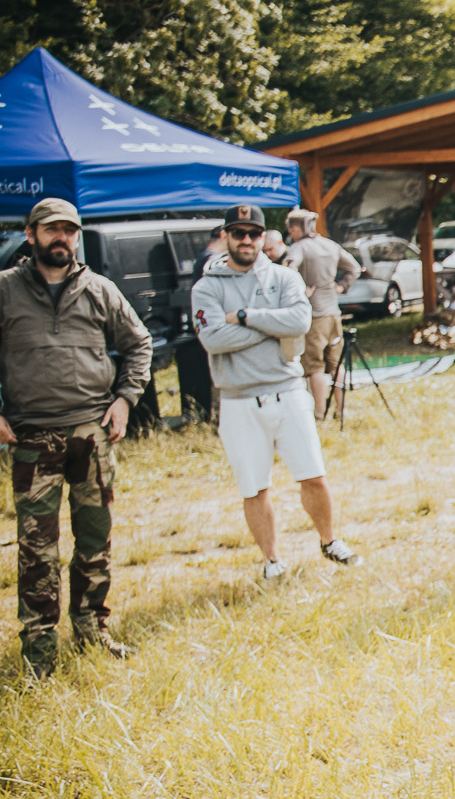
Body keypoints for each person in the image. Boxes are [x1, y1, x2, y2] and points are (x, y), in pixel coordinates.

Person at [0, 197, 151, 678]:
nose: (61, 237)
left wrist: (125, 398)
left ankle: (92, 628)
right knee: (36, 548)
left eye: (69, 230)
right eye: (51, 229)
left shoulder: (99, 289)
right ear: (31, 235)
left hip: (92, 432)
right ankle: (39, 652)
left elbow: (138, 343)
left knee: (94, 538)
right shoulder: (5, 290)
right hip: (32, 436)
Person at [191, 204, 360, 579]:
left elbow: (299, 321)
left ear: (264, 236)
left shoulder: (283, 278)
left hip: (287, 390)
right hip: (238, 398)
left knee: (313, 474)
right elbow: (213, 338)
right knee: (255, 487)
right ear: (226, 236)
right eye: (239, 233)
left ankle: (330, 541)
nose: (247, 240)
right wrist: (272, 325)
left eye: (254, 233)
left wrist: (246, 316)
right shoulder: (207, 286)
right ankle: (272, 560)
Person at [282, 208, 362, 419]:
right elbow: (354, 268)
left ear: (297, 228)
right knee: (336, 364)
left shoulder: (298, 248)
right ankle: (341, 409)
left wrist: (300, 290)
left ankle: (319, 413)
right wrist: (341, 287)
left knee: (315, 366)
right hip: (333, 313)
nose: (290, 232)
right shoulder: (330, 245)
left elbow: (287, 271)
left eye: (291, 228)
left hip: (313, 315)